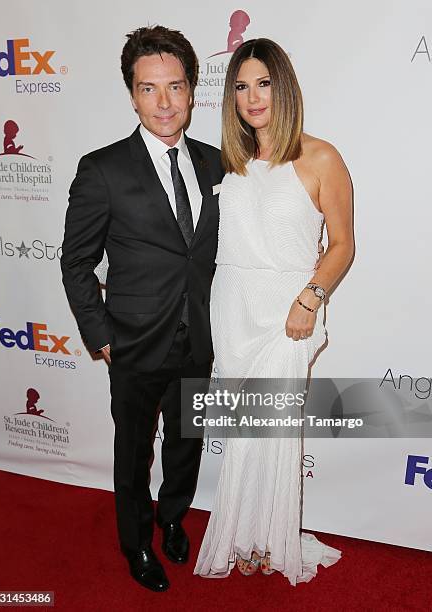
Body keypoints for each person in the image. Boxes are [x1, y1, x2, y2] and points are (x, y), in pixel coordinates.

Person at [61, 25, 224, 593]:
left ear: (192, 91)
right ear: (132, 94)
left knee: (186, 443)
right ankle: (136, 544)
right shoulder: (102, 169)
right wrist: (98, 331)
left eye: (175, 87)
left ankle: (173, 517)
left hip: (199, 338)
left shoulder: (216, 164)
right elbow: (76, 261)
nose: (164, 102)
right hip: (132, 341)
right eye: (149, 89)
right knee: (133, 455)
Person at [194, 38, 354, 584]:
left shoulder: (320, 156)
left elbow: (342, 245)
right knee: (245, 430)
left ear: (282, 86)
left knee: (275, 431)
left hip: (290, 311)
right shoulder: (230, 161)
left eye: (263, 83)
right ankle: (246, 536)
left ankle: (270, 536)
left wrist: (311, 298)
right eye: (241, 86)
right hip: (232, 306)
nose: (252, 96)